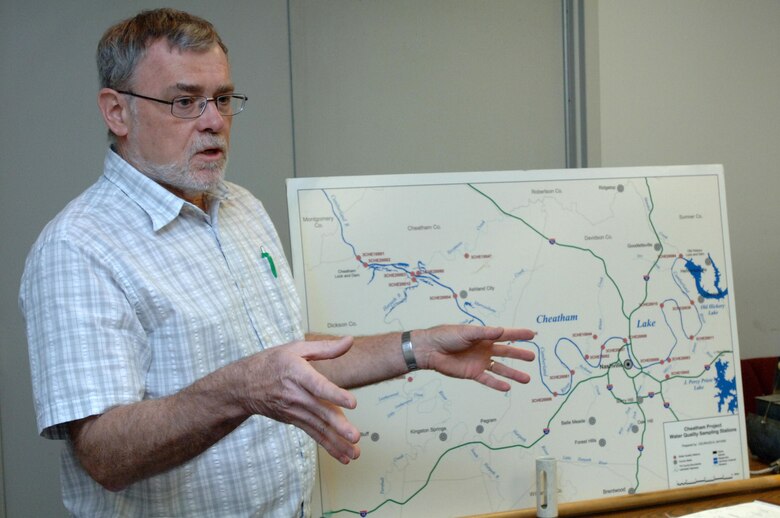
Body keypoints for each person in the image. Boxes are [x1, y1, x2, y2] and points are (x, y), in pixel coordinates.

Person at [19, 8, 536, 517]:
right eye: (185, 102)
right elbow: (104, 455)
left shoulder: (239, 206)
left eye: (222, 99)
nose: (214, 122)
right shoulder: (78, 247)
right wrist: (243, 388)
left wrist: (416, 347)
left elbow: (285, 363)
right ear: (116, 111)